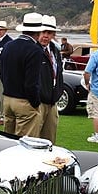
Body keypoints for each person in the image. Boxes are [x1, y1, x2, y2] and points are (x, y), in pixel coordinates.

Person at [1, 13, 44, 137]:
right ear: (38, 33)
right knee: (26, 143)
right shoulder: (35, 50)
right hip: (24, 100)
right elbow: (32, 82)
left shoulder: (8, 46)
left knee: (8, 139)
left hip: (8, 98)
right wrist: (35, 102)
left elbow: (3, 73)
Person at [37, 15, 64, 144]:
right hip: (38, 102)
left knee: (49, 140)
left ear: (53, 34)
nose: (45, 36)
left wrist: (58, 92)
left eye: (49, 33)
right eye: (43, 32)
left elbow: (59, 73)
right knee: (34, 138)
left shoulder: (55, 51)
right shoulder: (34, 50)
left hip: (52, 101)